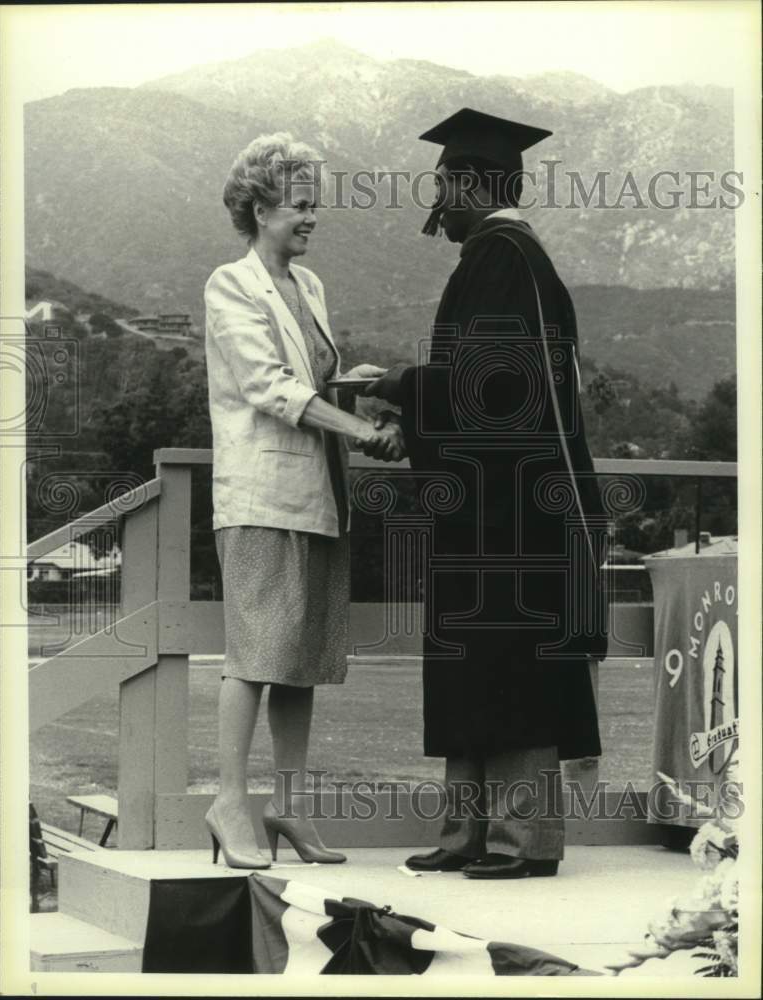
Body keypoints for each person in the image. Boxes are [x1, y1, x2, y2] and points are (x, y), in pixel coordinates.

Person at [366, 108, 608, 879]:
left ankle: (521, 840)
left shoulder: (505, 259)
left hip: (517, 512)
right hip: (489, 502)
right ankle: (466, 834)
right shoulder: (499, 257)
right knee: (478, 659)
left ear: (470, 182)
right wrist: (415, 410)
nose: (436, 195)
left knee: (512, 664)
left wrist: (398, 387)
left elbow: (495, 384)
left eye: (443, 180)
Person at [204, 133, 404, 869]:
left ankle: (288, 808)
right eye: (298, 206)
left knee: (302, 656)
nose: (311, 218)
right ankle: (229, 801)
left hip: (319, 494)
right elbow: (268, 386)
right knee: (256, 653)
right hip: (260, 496)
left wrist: (362, 389)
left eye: (315, 205)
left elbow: (314, 376)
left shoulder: (309, 287)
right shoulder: (230, 285)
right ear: (259, 209)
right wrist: (356, 426)